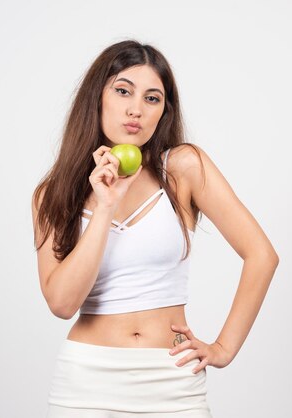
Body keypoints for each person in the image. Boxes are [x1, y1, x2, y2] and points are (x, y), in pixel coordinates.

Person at [31, 39, 279, 418]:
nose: (136, 109)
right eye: (123, 90)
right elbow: (63, 304)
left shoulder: (182, 169)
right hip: (87, 384)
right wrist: (104, 206)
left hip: (172, 379)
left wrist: (223, 349)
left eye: (152, 98)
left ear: (163, 112)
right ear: (97, 98)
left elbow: (262, 255)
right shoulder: (53, 193)